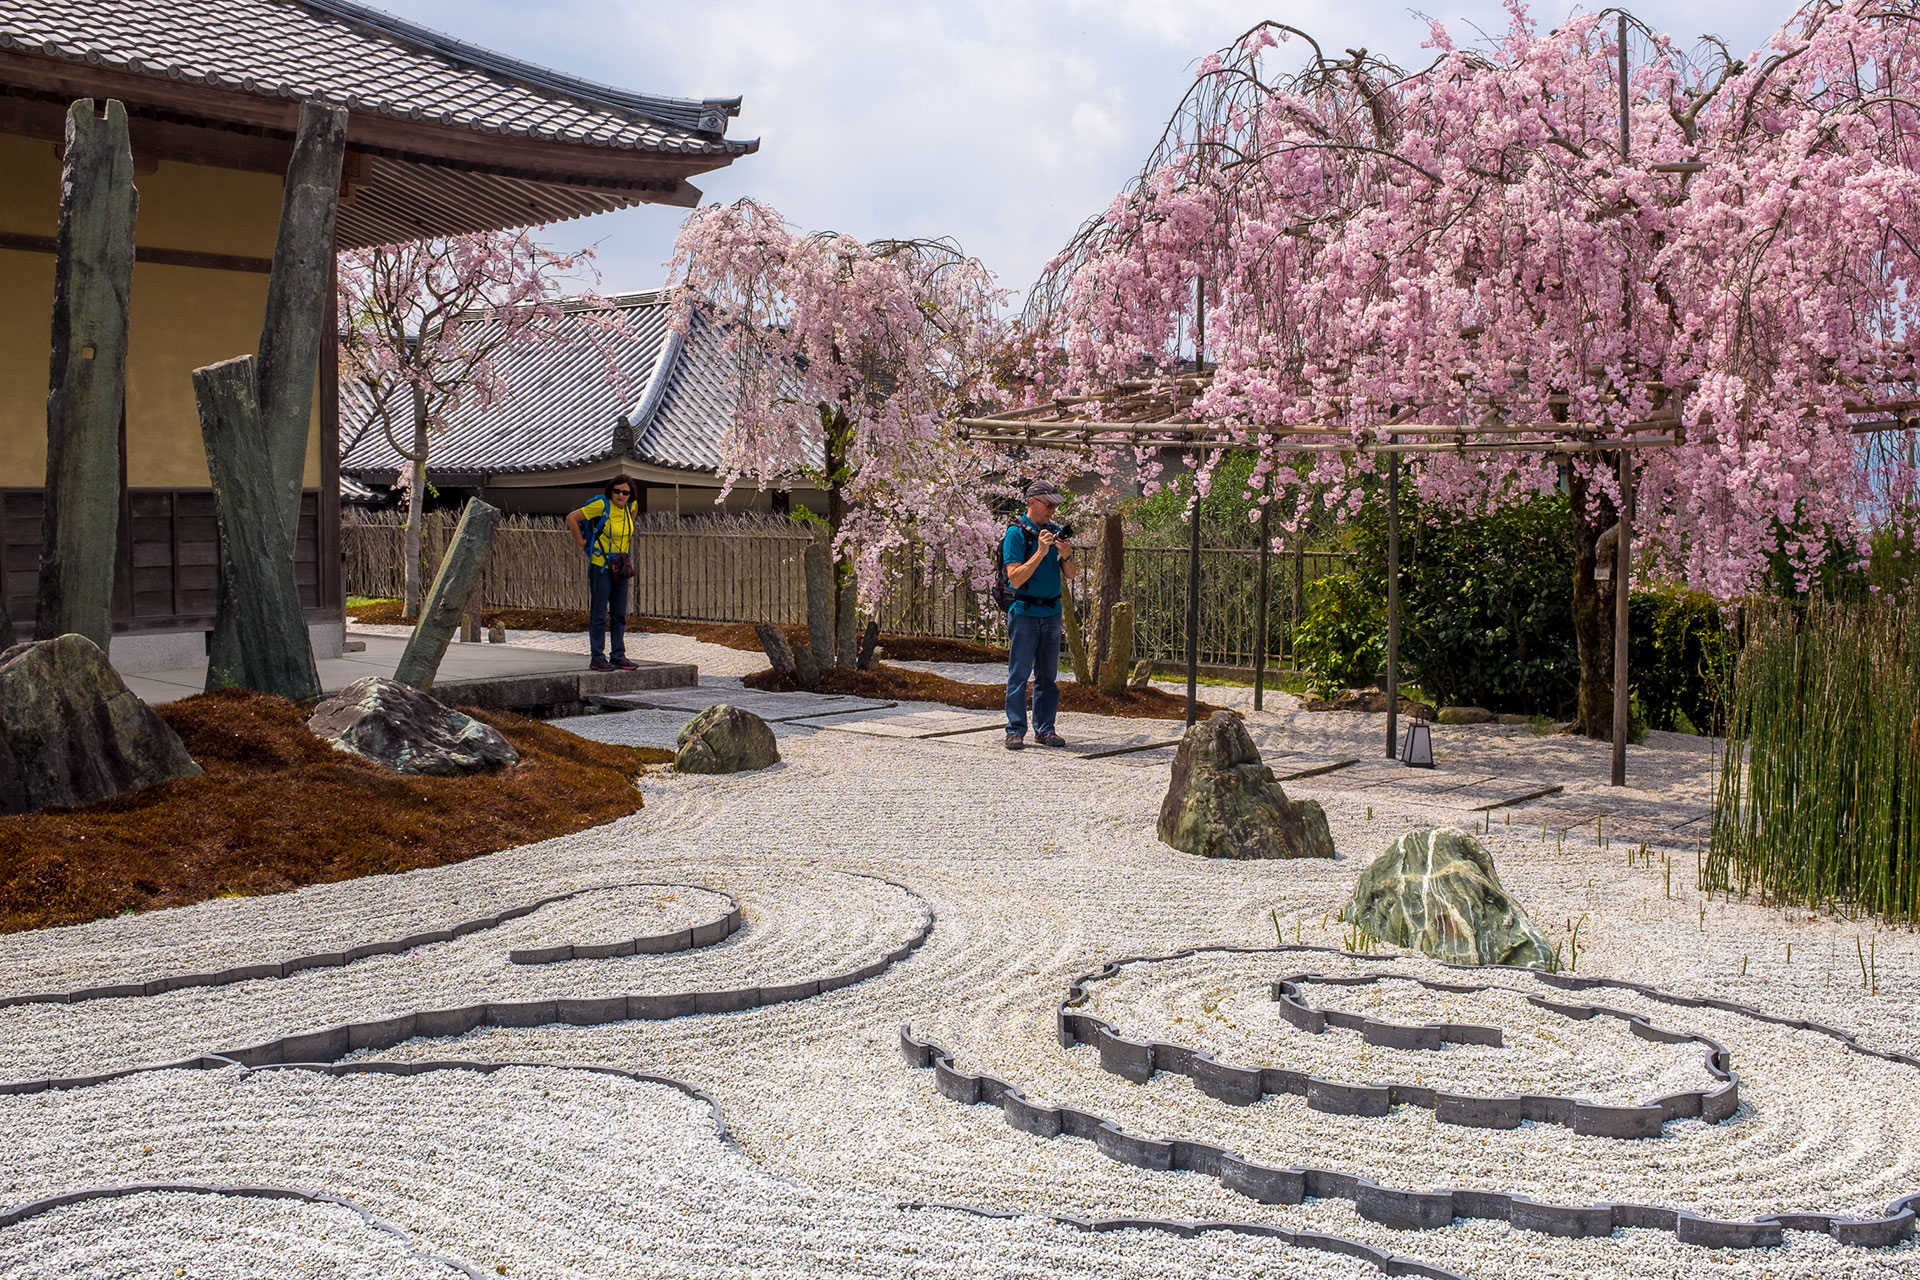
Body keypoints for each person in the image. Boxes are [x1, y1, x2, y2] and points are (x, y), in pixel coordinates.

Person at [1003, 479, 1077, 750]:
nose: (1052, 511)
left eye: (1055, 506)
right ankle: (1015, 730)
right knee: (1019, 673)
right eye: (1048, 505)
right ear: (1032, 502)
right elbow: (1015, 579)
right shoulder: (1016, 534)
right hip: (1025, 612)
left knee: (1048, 676)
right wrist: (1040, 552)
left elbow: (1071, 575)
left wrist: (1067, 556)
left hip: (1052, 612)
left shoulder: (1055, 531)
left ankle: (1046, 729)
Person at [566, 479, 639, 672]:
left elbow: (630, 525)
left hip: (621, 565)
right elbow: (571, 518)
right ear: (610, 492)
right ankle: (597, 656)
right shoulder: (601, 505)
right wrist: (581, 541)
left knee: (619, 613)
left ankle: (618, 654)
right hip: (601, 566)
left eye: (625, 492)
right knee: (599, 613)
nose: (620, 495)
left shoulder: (631, 506)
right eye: (616, 491)